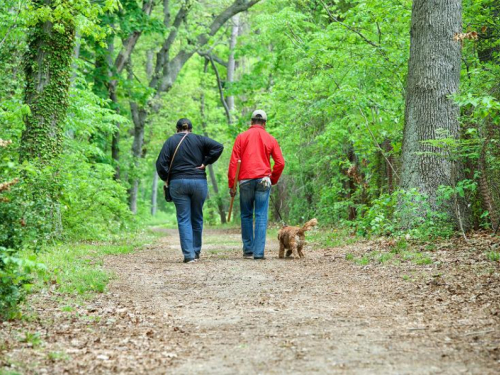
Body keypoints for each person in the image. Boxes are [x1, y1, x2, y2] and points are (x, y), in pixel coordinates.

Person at [156, 118, 224, 263]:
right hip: (199, 182)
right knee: (197, 217)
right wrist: (205, 163)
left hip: (178, 182)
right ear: (191, 129)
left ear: (177, 129)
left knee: (183, 218)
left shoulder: (170, 141)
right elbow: (219, 147)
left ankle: (189, 255)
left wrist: (166, 177)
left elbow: (160, 163)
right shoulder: (199, 139)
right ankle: (196, 251)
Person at [228, 110, 285, 260]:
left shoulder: (241, 137)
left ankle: (248, 250)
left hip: (245, 180)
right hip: (263, 180)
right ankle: (259, 253)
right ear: (265, 124)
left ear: (251, 122)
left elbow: (234, 162)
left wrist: (232, 185)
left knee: (246, 214)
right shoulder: (270, 138)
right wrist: (272, 179)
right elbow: (280, 163)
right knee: (261, 215)